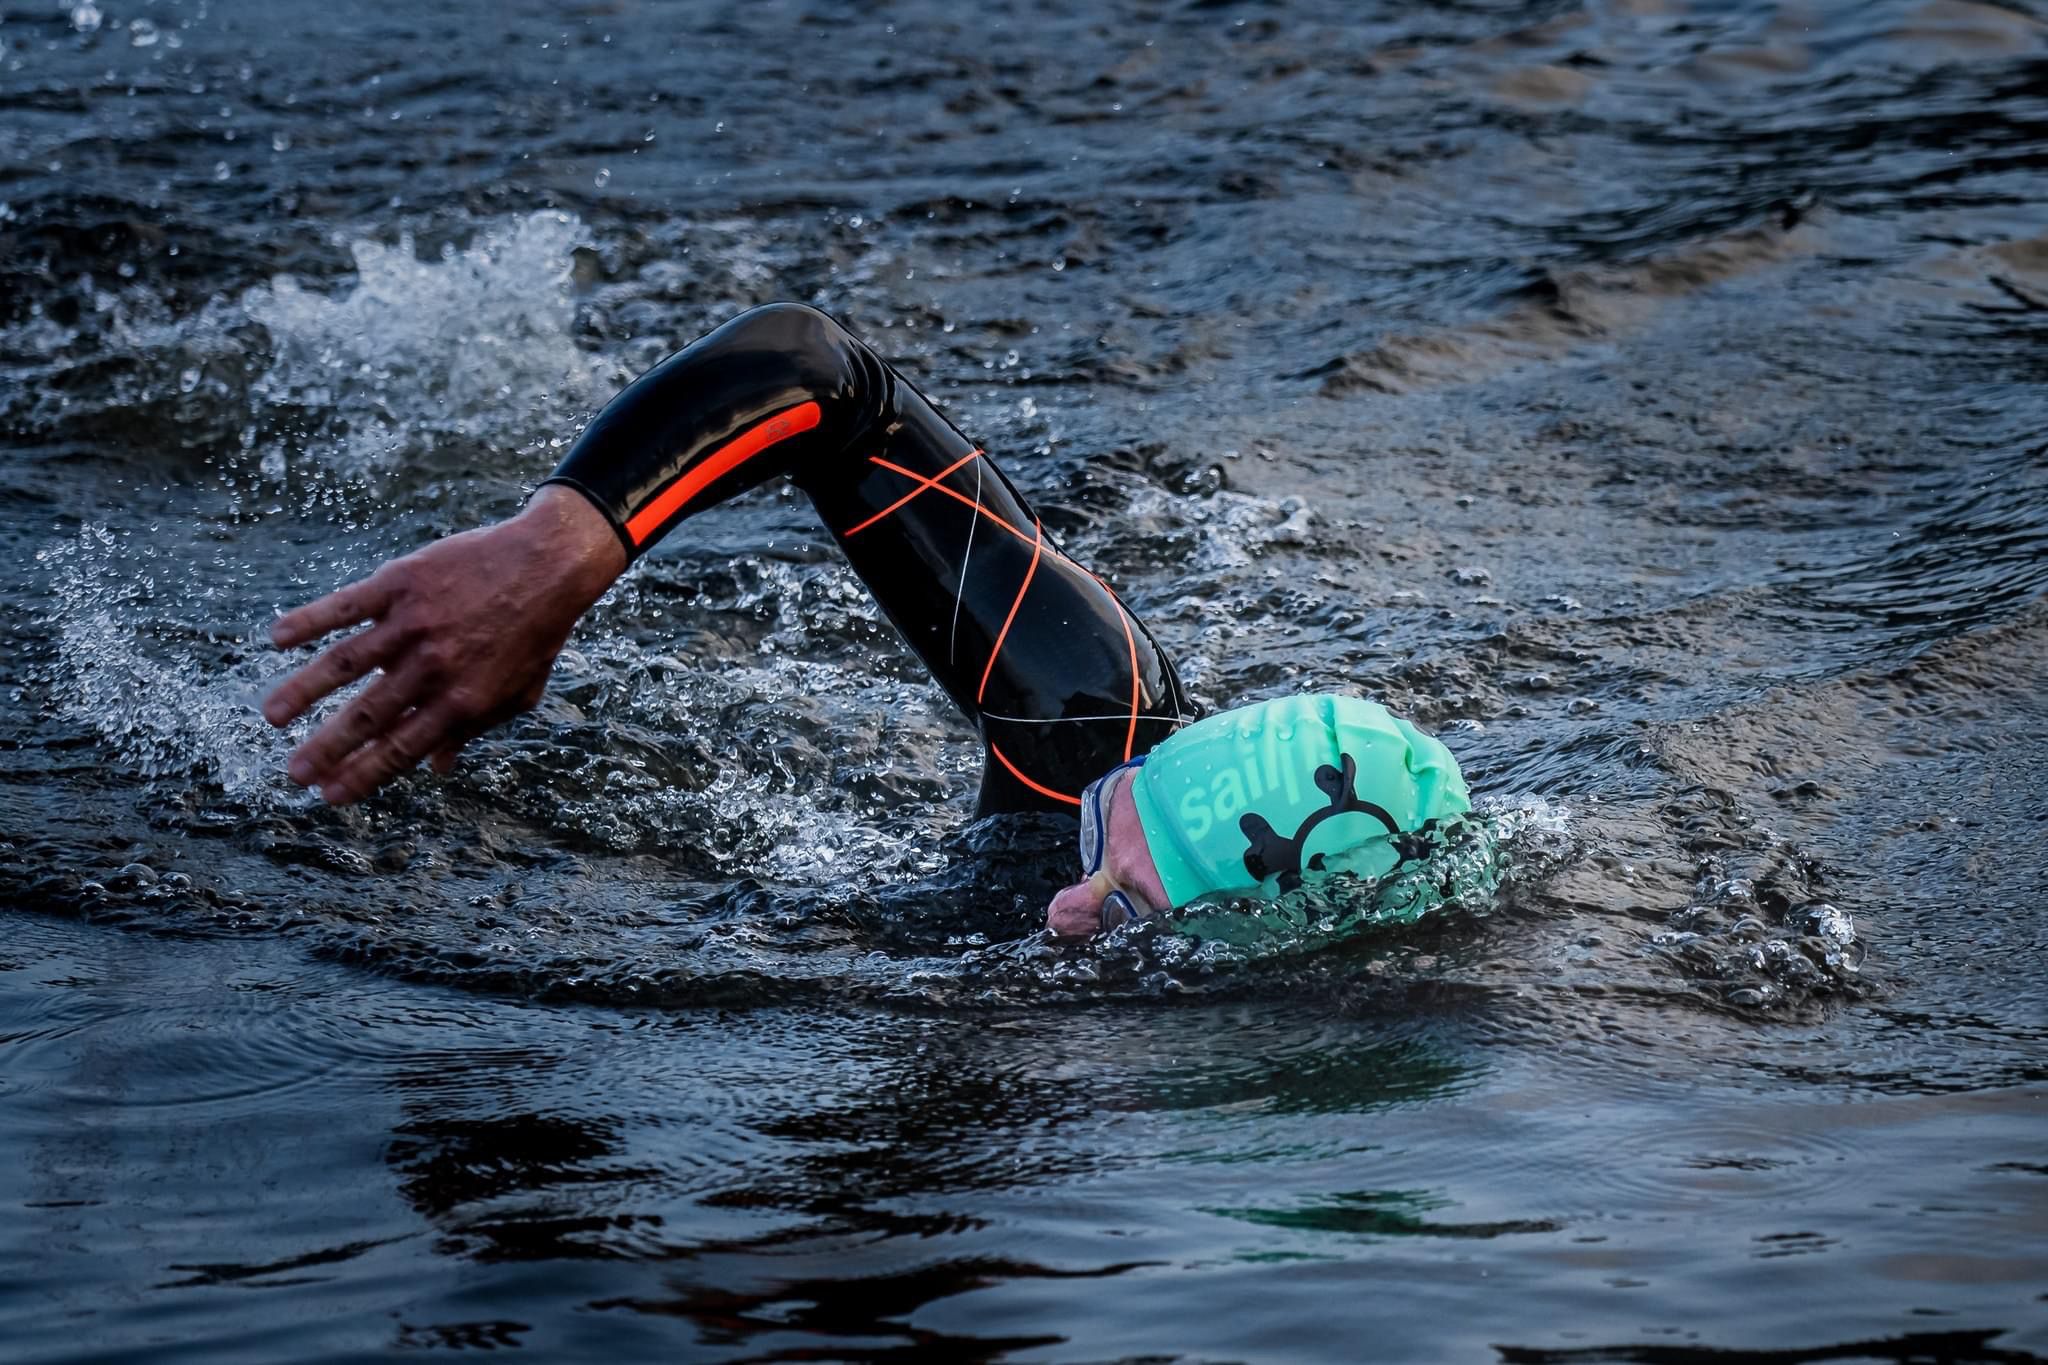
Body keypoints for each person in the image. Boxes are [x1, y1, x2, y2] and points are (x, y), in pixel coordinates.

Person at [262, 303, 1469, 937]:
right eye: (1108, 839)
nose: (1069, 899)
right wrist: (558, 549)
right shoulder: (1094, 725)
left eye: (1141, 921)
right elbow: (823, 372)